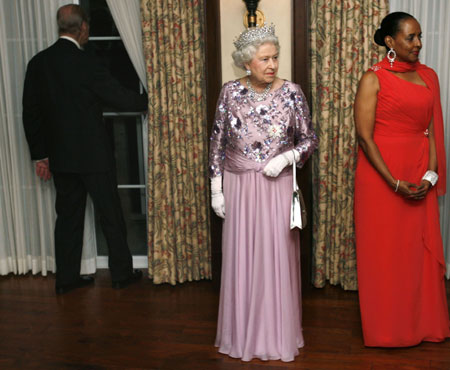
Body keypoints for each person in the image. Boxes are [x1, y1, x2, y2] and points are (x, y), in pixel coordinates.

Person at [209, 25, 318, 361]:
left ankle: (276, 333)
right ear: (247, 62)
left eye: (275, 57)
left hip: (277, 186)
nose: (272, 64)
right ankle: (241, 334)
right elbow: (217, 143)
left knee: (276, 258)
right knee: (242, 258)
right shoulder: (229, 92)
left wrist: (287, 157)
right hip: (239, 184)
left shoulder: (292, 92)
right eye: (265, 59)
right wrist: (217, 189)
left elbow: (309, 140)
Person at [22, 4, 147, 294]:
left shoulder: (39, 63)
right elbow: (119, 98)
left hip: (61, 158)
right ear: (83, 28)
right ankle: (121, 275)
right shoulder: (87, 63)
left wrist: (41, 155)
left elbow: (31, 114)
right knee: (110, 215)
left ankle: (66, 280)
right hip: (94, 156)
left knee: (67, 219)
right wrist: (150, 103)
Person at [354, 12, 450, 347]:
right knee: (385, 253)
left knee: (416, 254)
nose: (418, 44)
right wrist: (393, 182)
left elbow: (433, 129)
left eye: (419, 36)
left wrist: (431, 173)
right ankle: (386, 330)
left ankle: (423, 325)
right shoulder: (373, 78)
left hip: (419, 171)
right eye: (410, 37)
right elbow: (364, 138)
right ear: (390, 42)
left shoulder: (429, 76)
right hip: (381, 178)